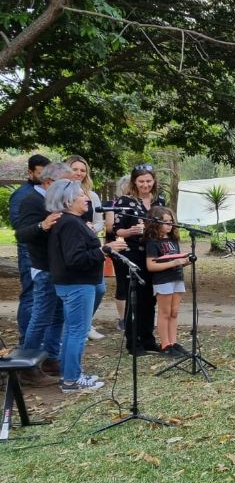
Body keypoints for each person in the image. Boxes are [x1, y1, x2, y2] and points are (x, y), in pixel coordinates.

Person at [47, 179, 127, 393]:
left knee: (72, 331)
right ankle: (72, 380)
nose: (87, 199)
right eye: (81, 195)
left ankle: (68, 374)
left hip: (73, 284)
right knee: (78, 332)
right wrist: (105, 249)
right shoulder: (70, 223)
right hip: (78, 284)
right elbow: (75, 259)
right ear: (68, 200)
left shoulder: (70, 221)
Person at [16, 162, 74, 380]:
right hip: (44, 267)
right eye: (66, 182)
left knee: (58, 315)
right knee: (41, 315)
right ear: (49, 182)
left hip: (60, 266)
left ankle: (51, 357)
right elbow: (22, 234)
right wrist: (42, 225)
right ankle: (27, 365)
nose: (71, 187)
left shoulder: (60, 200)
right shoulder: (31, 200)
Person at [112, 164, 165, 355]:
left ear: (154, 181)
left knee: (150, 299)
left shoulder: (159, 199)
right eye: (141, 181)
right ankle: (133, 342)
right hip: (133, 253)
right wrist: (131, 231)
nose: (145, 185)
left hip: (153, 253)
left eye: (149, 181)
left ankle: (148, 339)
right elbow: (117, 230)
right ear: (134, 182)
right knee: (135, 299)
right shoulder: (125, 201)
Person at [10, 153, 51, 345]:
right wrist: (42, 224)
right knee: (30, 294)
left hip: (44, 250)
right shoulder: (23, 195)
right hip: (29, 250)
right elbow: (19, 224)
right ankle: (26, 340)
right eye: (41, 173)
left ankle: (40, 341)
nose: (44, 178)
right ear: (30, 172)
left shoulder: (46, 192)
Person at [144, 206, 192, 357]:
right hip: (163, 280)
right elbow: (151, 265)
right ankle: (165, 344)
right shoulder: (153, 242)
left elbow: (175, 260)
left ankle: (173, 342)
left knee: (174, 312)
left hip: (177, 278)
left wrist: (184, 261)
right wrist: (174, 263)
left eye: (171, 221)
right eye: (165, 222)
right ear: (155, 223)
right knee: (164, 312)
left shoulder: (173, 240)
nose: (170, 225)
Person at [104, 175, 131, 330]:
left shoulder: (139, 203)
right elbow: (109, 227)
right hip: (119, 247)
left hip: (136, 247)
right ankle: (122, 318)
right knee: (122, 282)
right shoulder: (113, 204)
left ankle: (136, 315)